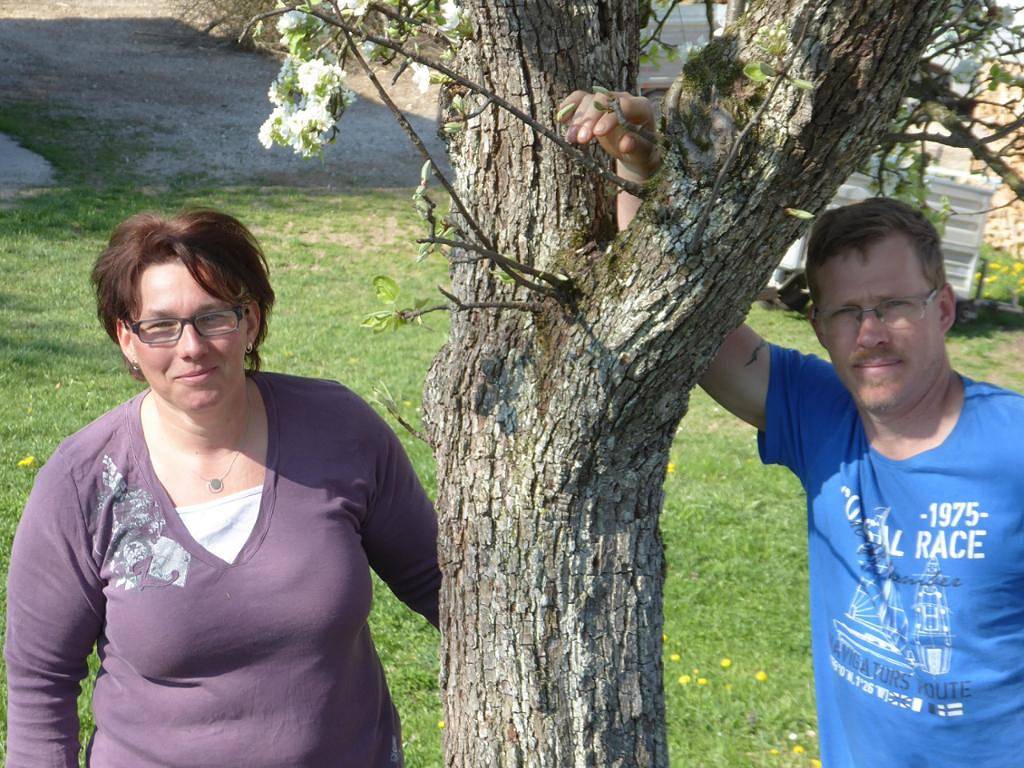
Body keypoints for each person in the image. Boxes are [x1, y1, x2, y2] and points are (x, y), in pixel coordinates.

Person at [560, 90, 1024, 767]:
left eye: (894, 306)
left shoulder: (1013, 446)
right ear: (819, 328)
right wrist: (639, 168)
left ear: (943, 309)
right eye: (847, 314)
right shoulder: (822, 414)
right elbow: (680, 317)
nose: (870, 335)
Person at [4, 210, 441, 767]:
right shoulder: (82, 482)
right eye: (160, 326)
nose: (191, 346)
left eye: (214, 318)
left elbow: (440, 582)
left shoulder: (338, 430)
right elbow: (42, 684)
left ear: (251, 321)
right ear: (127, 340)